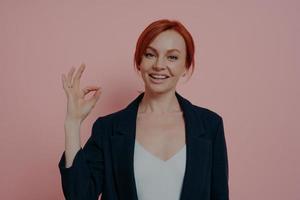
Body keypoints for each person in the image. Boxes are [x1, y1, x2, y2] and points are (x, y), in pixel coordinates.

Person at [58, 19, 229, 200]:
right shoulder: (107, 128)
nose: (159, 65)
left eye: (172, 57)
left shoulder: (210, 126)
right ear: (139, 62)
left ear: (185, 66)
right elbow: (79, 196)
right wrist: (72, 123)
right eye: (150, 54)